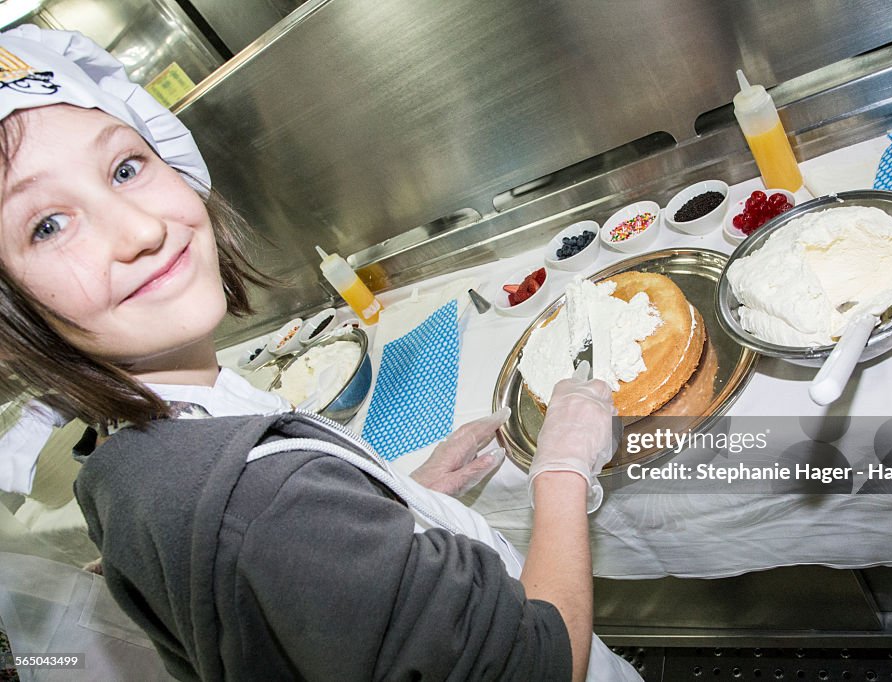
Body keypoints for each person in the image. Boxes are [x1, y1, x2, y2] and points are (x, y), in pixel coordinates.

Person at [0, 25, 641, 681]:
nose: (140, 230)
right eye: (47, 225)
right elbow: (540, 662)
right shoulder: (261, 503)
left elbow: (308, 582)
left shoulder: (117, 466)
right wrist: (561, 469)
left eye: (125, 168)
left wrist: (404, 496)